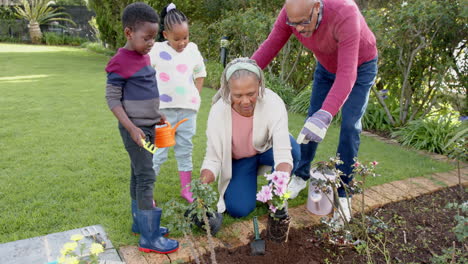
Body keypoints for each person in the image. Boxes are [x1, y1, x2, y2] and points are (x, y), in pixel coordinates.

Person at [251, 0, 378, 227]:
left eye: (304, 22)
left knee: (350, 126)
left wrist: (326, 114)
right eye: (294, 23)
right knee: (311, 118)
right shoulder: (291, 13)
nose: (299, 29)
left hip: (360, 67)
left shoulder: (345, 12)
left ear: (317, 7)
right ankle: (300, 175)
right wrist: (244, 72)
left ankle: (343, 193)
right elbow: (271, 46)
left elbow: (347, 74)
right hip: (326, 68)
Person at [104, 2, 178, 254]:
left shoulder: (143, 56)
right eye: (146, 38)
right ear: (128, 33)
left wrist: (155, 115)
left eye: (153, 38)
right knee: (146, 175)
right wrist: (133, 128)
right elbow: (113, 99)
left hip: (147, 127)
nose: (150, 43)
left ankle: (140, 224)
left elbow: (142, 91)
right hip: (135, 132)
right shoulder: (119, 61)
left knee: (138, 174)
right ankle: (149, 237)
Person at [200, 58, 301, 218]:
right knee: (238, 209)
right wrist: (202, 185)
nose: (245, 101)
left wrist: (277, 194)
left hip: (266, 149)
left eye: (251, 94)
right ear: (228, 89)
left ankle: (270, 197)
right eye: (238, 95)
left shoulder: (273, 102)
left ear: (259, 84)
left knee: (293, 149)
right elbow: (213, 158)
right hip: (240, 160)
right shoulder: (218, 112)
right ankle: (244, 180)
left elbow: (283, 152)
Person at [149, 3, 206, 204]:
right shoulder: (156, 50)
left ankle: (186, 190)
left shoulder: (192, 50)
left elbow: (200, 73)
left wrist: (196, 96)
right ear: (165, 34)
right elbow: (143, 73)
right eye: (177, 39)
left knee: (185, 150)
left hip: (188, 112)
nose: (182, 42)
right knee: (158, 152)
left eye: (185, 37)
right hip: (163, 113)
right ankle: (147, 192)